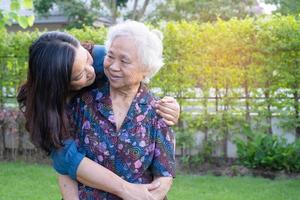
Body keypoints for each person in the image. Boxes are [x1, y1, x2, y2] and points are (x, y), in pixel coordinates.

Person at [17, 31, 179, 200]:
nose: (92, 71)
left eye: (87, 59)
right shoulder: (63, 109)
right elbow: (66, 163)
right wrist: (126, 189)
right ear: (62, 86)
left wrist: (171, 107)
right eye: (80, 75)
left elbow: (139, 65)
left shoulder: (105, 58)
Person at [59, 20, 175, 200]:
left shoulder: (158, 111)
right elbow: (65, 161)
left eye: (124, 61)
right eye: (110, 56)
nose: (113, 66)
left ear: (146, 69)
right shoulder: (81, 102)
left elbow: (164, 178)